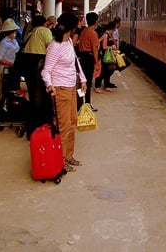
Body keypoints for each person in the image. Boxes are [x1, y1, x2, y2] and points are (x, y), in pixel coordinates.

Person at [41, 13, 87, 171]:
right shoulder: (55, 46)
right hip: (60, 89)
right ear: (72, 28)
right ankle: (60, 161)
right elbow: (46, 71)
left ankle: (68, 156)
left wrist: (83, 78)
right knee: (64, 125)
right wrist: (49, 85)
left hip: (71, 87)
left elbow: (74, 62)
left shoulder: (67, 42)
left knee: (73, 122)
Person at [76, 12, 101, 111]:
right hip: (88, 58)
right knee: (88, 83)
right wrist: (97, 63)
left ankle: (80, 104)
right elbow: (95, 49)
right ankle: (87, 105)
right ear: (96, 21)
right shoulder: (93, 33)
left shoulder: (84, 31)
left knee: (82, 81)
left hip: (81, 57)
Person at [95, 21, 117, 92]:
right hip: (104, 55)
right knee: (102, 71)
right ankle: (97, 86)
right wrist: (111, 47)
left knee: (108, 70)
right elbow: (104, 47)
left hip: (109, 55)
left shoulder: (110, 35)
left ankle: (106, 85)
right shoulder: (106, 35)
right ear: (113, 27)